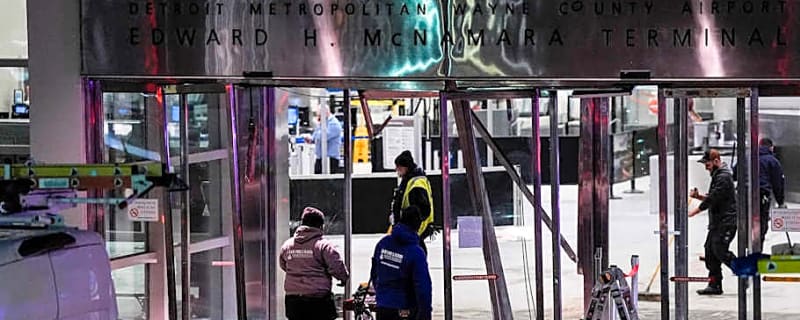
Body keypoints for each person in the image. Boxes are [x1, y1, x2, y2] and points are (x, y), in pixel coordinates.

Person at [280, 207, 349, 320]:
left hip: (294, 302)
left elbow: (283, 264)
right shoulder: (323, 245)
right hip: (318, 301)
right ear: (321, 226)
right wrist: (343, 278)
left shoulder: (287, 245)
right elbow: (337, 267)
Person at [689, 149, 738, 295]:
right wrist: (699, 197)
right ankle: (715, 284)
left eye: (708, 165)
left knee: (719, 250)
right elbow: (714, 197)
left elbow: (713, 198)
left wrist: (695, 211)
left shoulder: (723, 177)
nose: (706, 168)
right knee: (710, 252)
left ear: (716, 161)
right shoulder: (718, 176)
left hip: (726, 221)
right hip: (717, 222)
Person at [370, 206, 432, 320]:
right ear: (418, 226)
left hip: (383, 308)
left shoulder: (382, 244)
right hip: (405, 310)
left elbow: (374, 274)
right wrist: (425, 314)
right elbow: (423, 288)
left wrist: (382, 296)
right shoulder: (416, 253)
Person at [391, 150, 435, 254]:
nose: (396, 170)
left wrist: (410, 222)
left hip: (413, 229)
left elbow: (423, 209)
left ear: (406, 167)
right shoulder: (409, 180)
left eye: (399, 167)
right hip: (409, 229)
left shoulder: (416, 183)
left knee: (414, 254)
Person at [305, 104, 342, 174]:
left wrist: (315, 137)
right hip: (320, 158)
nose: (318, 118)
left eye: (319, 116)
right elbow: (316, 134)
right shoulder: (323, 123)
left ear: (326, 113)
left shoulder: (334, 124)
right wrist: (311, 139)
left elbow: (323, 136)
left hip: (331, 159)